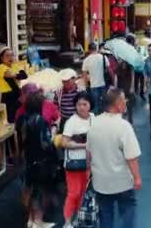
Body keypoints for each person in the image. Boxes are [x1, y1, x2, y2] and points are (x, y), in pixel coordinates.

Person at [87, 89, 142, 228]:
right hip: (122, 181)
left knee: (105, 214)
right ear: (117, 104)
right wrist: (136, 177)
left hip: (100, 182)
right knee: (127, 211)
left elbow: (89, 152)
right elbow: (131, 157)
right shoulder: (124, 126)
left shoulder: (94, 124)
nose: (126, 102)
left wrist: (89, 171)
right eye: (124, 100)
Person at [17, 93, 59, 228]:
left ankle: (30, 219)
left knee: (28, 189)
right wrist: (54, 130)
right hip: (40, 161)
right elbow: (46, 144)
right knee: (39, 191)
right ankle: (38, 221)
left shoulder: (21, 119)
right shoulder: (40, 121)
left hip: (26, 159)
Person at [61, 92, 94, 227]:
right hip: (74, 163)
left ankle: (78, 219)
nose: (81, 107)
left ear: (90, 105)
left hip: (90, 163)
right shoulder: (71, 122)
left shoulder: (93, 117)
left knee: (83, 193)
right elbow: (64, 142)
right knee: (73, 193)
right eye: (79, 104)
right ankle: (67, 222)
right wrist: (84, 145)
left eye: (84, 104)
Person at [0, 47, 27, 124]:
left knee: (19, 118)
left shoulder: (14, 66)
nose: (10, 58)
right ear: (2, 58)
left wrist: (16, 74)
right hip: (8, 96)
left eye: (12, 55)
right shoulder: (1, 67)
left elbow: (24, 75)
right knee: (11, 120)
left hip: (16, 94)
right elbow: (11, 76)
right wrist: (18, 74)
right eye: (7, 56)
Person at [82, 43, 108, 115]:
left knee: (95, 105)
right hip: (104, 84)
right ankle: (104, 119)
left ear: (89, 50)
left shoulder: (86, 60)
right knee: (104, 104)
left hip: (93, 85)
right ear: (96, 48)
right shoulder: (103, 57)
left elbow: (84, 75)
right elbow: (109, 70)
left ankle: (96, 121)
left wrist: (86, 85)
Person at [116, 59, 136, 124]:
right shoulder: (118, 66)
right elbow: (116, 78)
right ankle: (121, 121)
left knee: (129, 105)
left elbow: (133, 77)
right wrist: (115, 87)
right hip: (121, 88)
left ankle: (130, 120)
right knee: (121, 104)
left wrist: (132, 87)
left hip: (128, 88)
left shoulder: (130, 67)